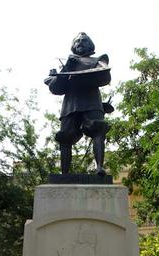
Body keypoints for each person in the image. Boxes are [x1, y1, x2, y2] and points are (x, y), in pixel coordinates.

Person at [44, 33, 112, 175]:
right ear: (73, 46)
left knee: (98, 130)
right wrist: (67, 67)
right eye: (77, 41)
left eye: (84, 41)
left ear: (90, 45)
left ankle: (99, 166)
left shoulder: (97, 60)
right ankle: (64, 173)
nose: (80, 43)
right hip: (70, 104)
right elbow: (56, 88)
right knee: (65, 136)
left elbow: (105, 75)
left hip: (92, 101)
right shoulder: (66, 63)